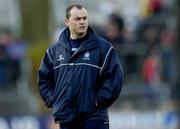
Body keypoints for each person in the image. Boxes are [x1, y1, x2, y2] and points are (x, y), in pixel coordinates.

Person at [38, 4, 123, 129]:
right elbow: (44, 80)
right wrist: (54, 101)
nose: (82, 22)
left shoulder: (104, 48)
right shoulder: (53, 52)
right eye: (78, 19)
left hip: (95, 119)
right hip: (67, 118)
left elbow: (115, 80)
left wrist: (97, 100)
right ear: (67, 21)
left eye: (85, 18)